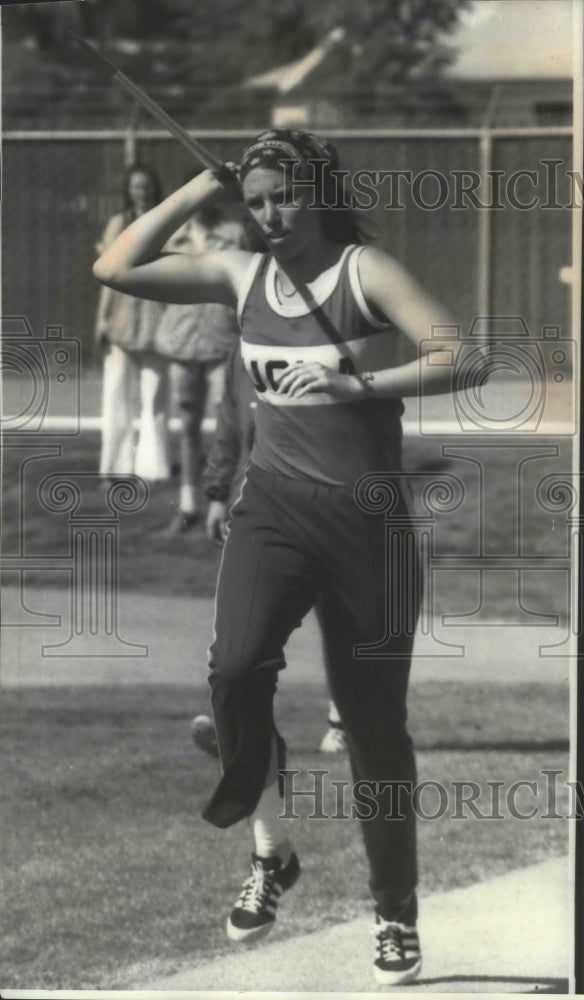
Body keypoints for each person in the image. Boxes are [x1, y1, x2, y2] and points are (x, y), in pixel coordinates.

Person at [94, 129, 460, 987]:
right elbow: (115, 267)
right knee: (235, 672)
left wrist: (356, 385)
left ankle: (394, 917)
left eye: (283, 198)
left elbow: (465, 357)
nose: (268, 216)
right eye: (254, 202)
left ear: (318, 191)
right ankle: (270, 846)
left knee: (373, 729)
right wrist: (197, 190)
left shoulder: (364, 271)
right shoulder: (237, 270)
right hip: (275, 512)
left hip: (367, 525)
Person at [192, 341, 347, 756]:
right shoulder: (241, 353)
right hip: (260, 507)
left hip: (329, 504)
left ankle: (343, 720)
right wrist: (216, 493)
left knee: (338, 621)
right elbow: (230, 424)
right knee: (247, 633)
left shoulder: (328, 342)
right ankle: (244, 730)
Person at [154, 198, 245, 534]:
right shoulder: (173, 238)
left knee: (229, 426)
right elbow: (160, 288)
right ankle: (189, 504)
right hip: (182, 344)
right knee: (188, 425)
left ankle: (226, 503)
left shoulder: (234, 234)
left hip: (223, 343)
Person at [95, 163, 170, 481]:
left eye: (147, 185)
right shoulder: (118, 224)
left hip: (157, 317)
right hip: (122, 319)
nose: (143, 191)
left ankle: (153, 468)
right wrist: (101, 318)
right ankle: (114, 466)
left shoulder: (168, 220)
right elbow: (108, 274)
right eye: (137, 186)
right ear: (129, 190)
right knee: (116, 395)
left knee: (154, 395)